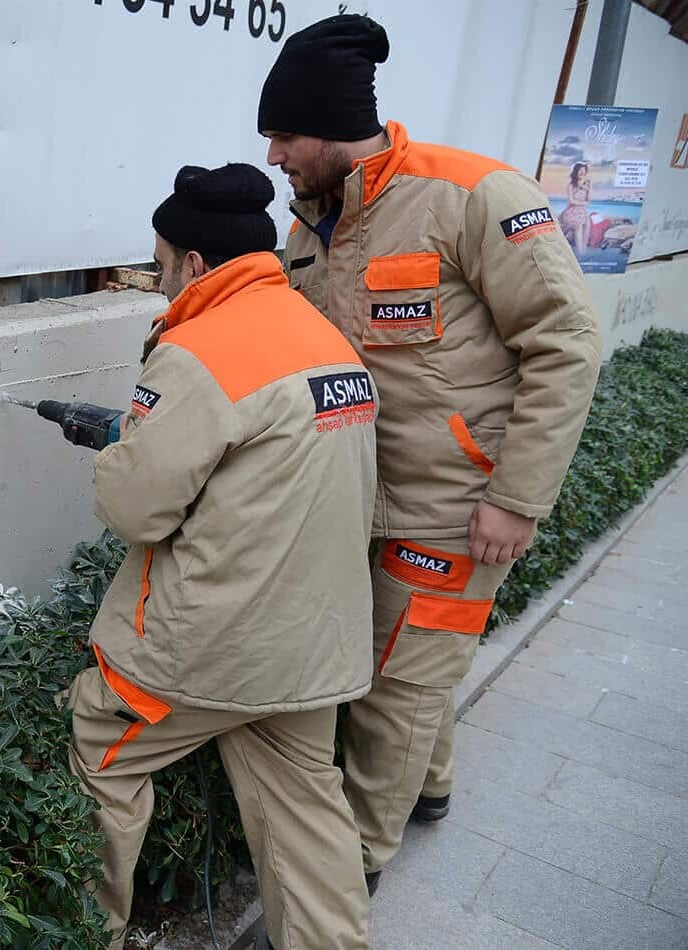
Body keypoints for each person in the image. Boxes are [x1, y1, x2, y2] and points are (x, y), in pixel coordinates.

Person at [258, 14, 602, 894]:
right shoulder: (310, 224)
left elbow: (563, 342)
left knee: (398, 686)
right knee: (407, 662)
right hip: (355, 495)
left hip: (456, 505)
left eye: (284, 136)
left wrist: (516, 499)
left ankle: (357, 861)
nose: (273, 157)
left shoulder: (471, 195)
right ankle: (432, 784)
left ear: (332, 127)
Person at [66, 161, 376, 950]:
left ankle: (85, 932)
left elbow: (135, 509)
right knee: (305, 805)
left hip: (211, 648)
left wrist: (119, 451)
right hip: (312, 646)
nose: (159, 280)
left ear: (196, 264)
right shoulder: (323, 335)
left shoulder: (199, 349)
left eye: (162, 263)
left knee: (103, 760)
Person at [560, 161, 592, 253]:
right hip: (571, 211)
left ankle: (584, 250)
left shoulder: (587, 183)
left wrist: (588, 189)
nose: (582, 172)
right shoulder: (571, 185)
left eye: (584, 170)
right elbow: (571, 201)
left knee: (587, 225)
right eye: (580, 170)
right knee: (579, 226)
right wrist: (583, 203)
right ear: (575, 172)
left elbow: (588, 200)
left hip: (582, 211)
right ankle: (579, 251)